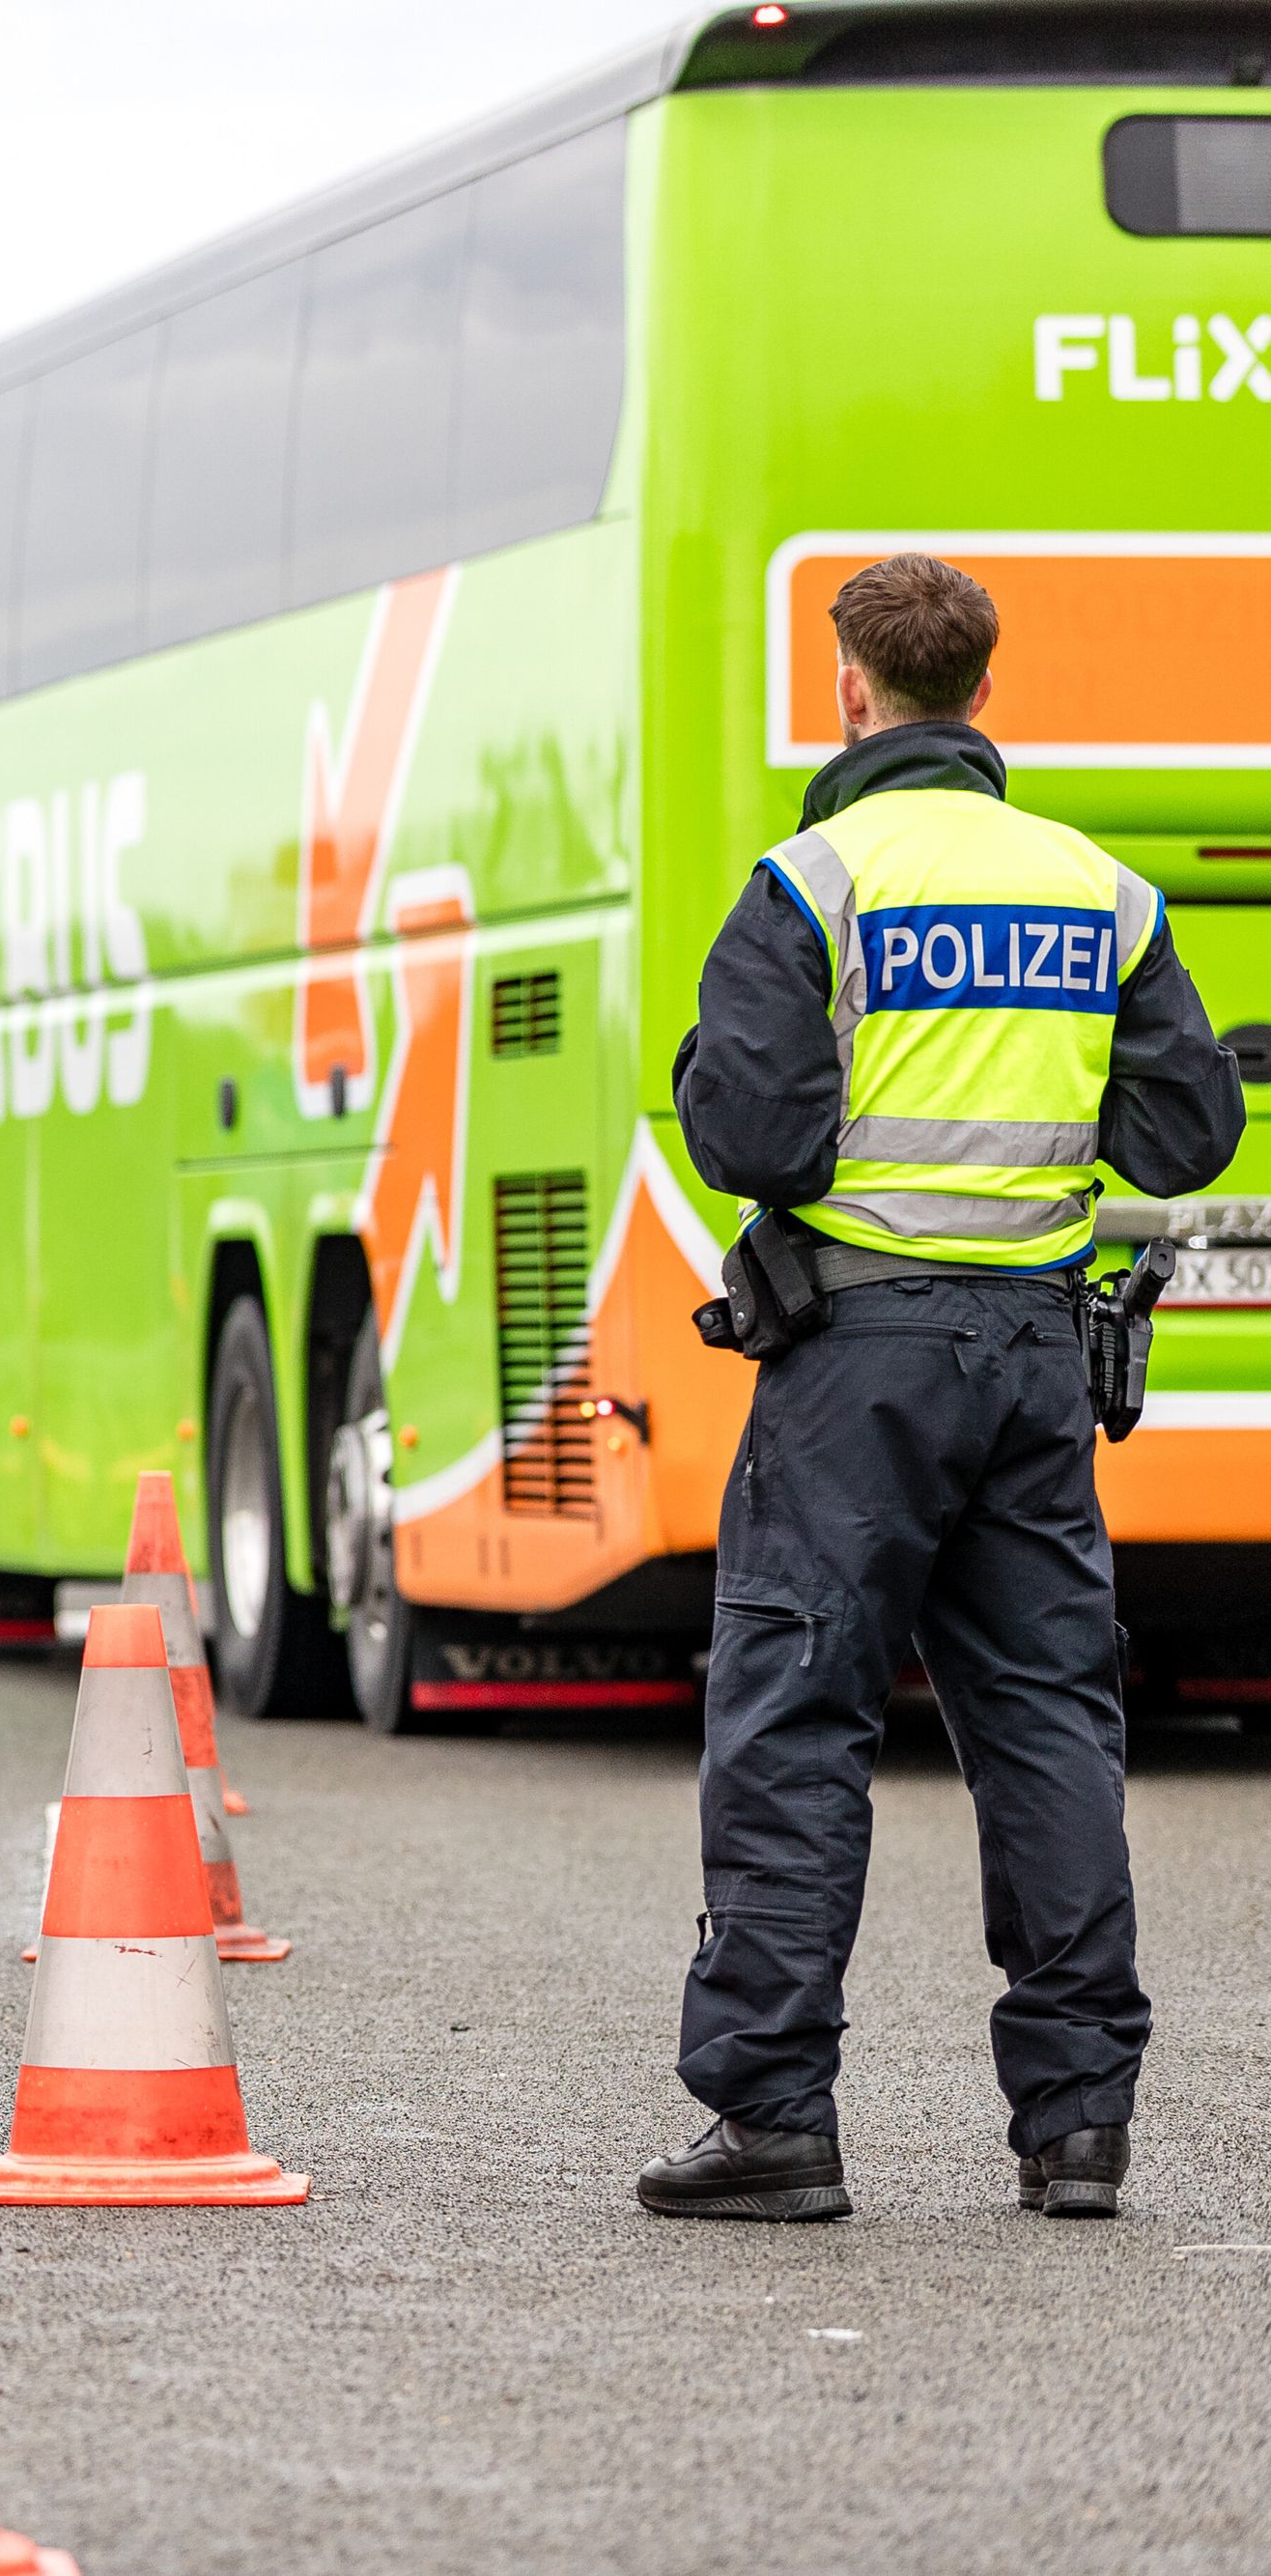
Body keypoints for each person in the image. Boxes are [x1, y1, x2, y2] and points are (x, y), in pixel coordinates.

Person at [639, 555, 1246, 2222]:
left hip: (856, 1367)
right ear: (985, 692)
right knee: (1052, 1726)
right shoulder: (1099, 894)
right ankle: (1076, 2127)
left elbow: (753, 1136)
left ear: (852, 687)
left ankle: (772, 2122)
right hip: (1038, 1367)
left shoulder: (807, 883)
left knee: (794, 1720)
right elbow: (1190, 1134)